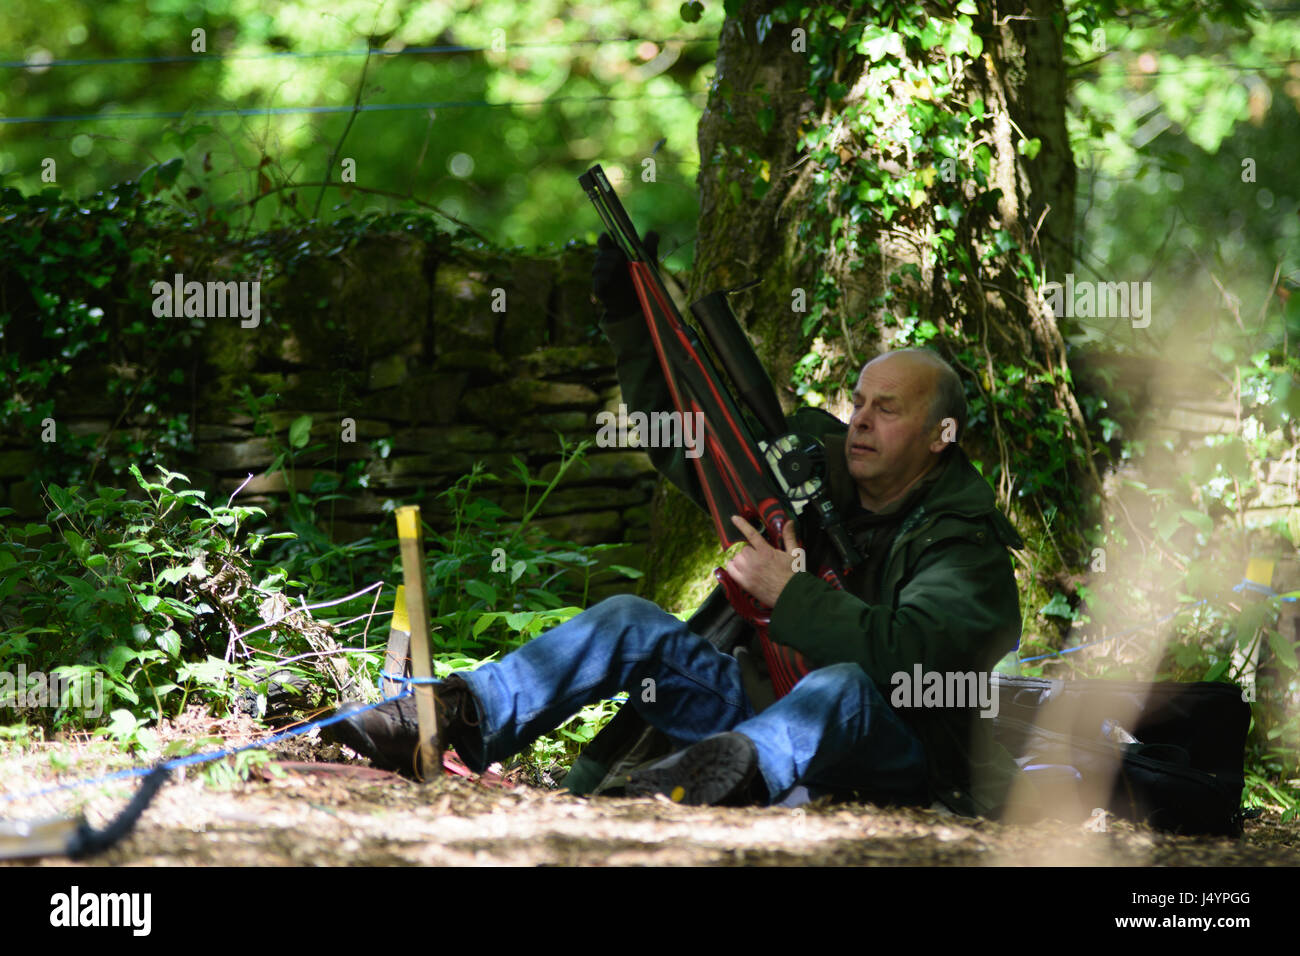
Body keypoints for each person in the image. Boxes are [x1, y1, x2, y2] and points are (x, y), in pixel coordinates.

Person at [328, 233, 1025, 815]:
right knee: (627, 619)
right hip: (760, 705)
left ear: (941, 436)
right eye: (859, 401)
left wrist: (791, 593)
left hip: (898, 751)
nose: (862, 422)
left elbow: (914, 661)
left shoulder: (966, 546)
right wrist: (631, 318)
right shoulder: (812, 469)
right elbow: (693, 440)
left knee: (837, 689)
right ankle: (449, 715)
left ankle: (726, 776)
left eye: (888, 409)